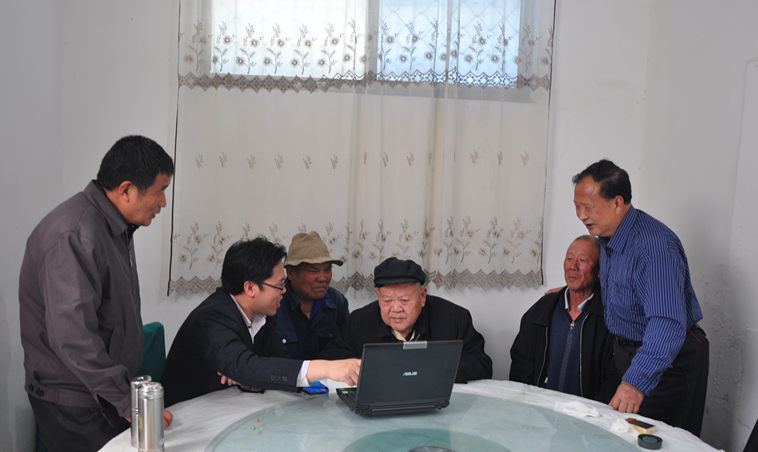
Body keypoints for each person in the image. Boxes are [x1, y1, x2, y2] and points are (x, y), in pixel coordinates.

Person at [19, 135, 175, 452]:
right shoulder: (74, 234)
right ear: (126, 190)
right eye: (160, 191)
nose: (163, 203)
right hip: (76, 401)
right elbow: (73, 337)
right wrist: (125, 399)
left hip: (100, 393)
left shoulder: (111, 225)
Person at [572, 159, 709, 435]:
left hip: (667, 359)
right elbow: (623, 287)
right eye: (577, 207)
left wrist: (636, 383)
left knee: (657, 441)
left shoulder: (654, 247)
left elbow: (667, 324)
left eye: (588, 207)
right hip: (630, 353)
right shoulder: (607, 238)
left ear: (617, 203)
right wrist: (574, 291)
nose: (581, 215)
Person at [161, 237, 361, 407]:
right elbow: (246, 366)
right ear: (250, 288)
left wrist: (246, 374)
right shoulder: (212, 318)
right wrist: (326, 368)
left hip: (230, 403)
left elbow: (273, 362)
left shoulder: (264, 313)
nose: (284, 291)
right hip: (187, 414)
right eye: (279, 285)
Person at [322, 257, 492, 383]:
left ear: (422, 296)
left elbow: (482, 364)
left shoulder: (454, 318)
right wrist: (368, 368)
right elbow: (332, 356)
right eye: (387, 300)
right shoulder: (359, 321)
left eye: (404, 300)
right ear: (378, 297)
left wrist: (434, 370)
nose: (396, 309)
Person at [509, 236, 618, 403]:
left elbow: (615, 376)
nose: (573, 266)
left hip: (588, 413)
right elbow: (521, 362)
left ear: (599, 271)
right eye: (569, 259)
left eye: (582, 260)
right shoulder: (543, 308)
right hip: (540, 408)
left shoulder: (611, 317)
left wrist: (593, 411)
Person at [276, 231, 349, 359]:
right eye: (313, 271)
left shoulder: (337, 301)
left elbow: (348, 347)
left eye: (327, 270)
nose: (322, 278)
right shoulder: (274, 303)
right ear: (291, 273)